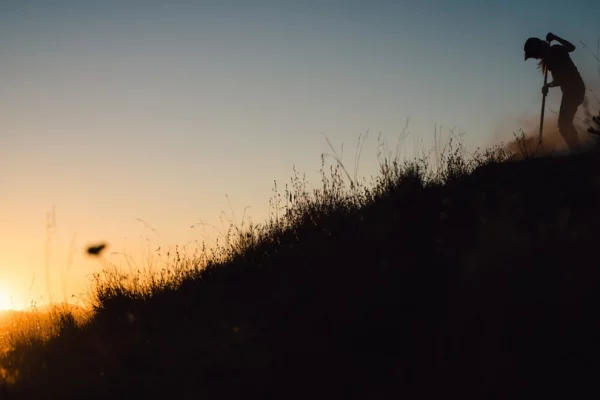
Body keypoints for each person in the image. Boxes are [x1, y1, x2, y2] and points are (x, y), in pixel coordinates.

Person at [524, 32, 586, 152]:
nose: (536, 58)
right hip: (570, 91)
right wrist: (549, 85)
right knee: (564, 125)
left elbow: (571, 48)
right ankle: (577, 151)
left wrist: (556, 37)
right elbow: (559, 79)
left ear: (537, 49)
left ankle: (578, 153)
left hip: (575, 90)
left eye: (534, 55)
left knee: (563, 125)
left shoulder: (556, 51)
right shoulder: (548, 60)